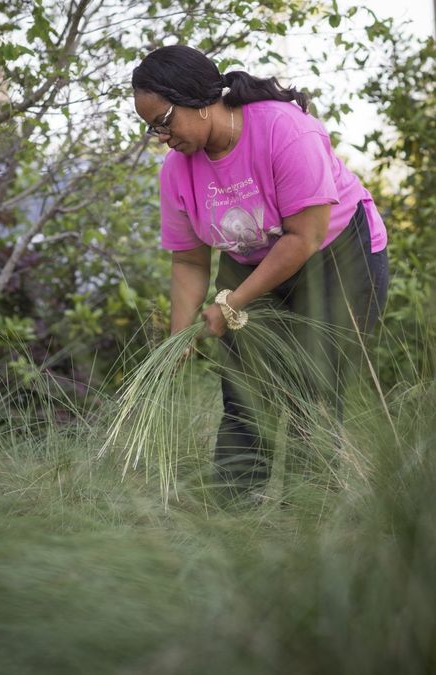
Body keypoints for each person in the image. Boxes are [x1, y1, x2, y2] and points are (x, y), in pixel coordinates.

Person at [132, 45, 389, 506]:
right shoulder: (176, 170)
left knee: (313, 390)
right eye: (151, 126)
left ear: (196, 97)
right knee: (245, 390)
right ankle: (232, 513)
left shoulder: (286, 130)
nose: (160, 136)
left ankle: (309, 513)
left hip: (334, 255)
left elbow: (303, 237)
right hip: (252, 259)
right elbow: (190, 260)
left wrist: (229, 303)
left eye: (164, 120)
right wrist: (180, 337)